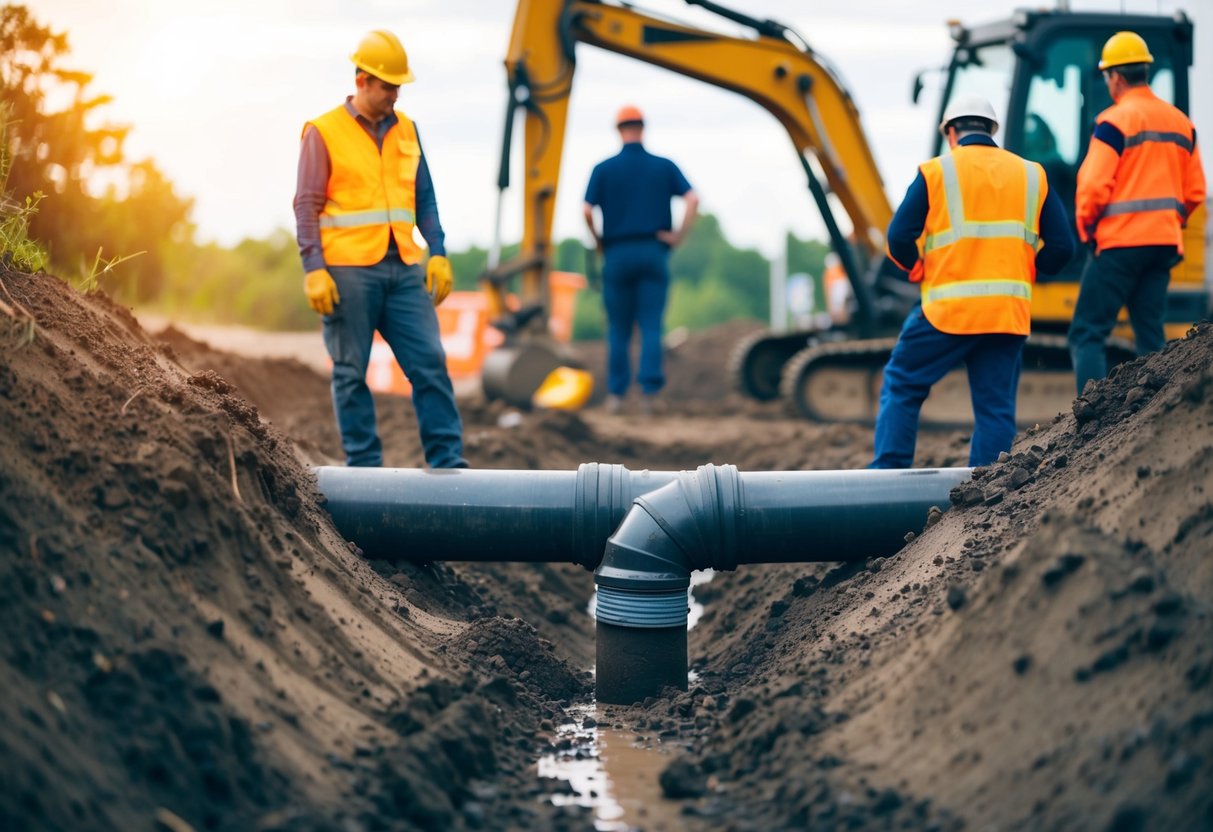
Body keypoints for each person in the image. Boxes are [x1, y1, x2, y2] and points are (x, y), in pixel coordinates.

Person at [872, 94, 1076, 469]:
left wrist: (915, 266)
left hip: (947, 311)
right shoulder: (1032, 174)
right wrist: (1031, 268)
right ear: (991, 130)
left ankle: (888, 473)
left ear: (952, 132)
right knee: (996, 408)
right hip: (1006, 314)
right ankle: (986, 485)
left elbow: (899, 237)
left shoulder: (936, 172)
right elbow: (1063, 247)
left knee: (903, 382)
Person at [294, 30, 467, 468]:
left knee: (430, 364)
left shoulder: (408, 129)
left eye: (399, 86)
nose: (395, 94)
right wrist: (314, 267)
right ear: (362, 80)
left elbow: (424, 198)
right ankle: (364, 469)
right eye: (388, 86)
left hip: (404, 268)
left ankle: (448, 464)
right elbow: (307, 204)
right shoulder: (323, 132)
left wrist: (439, 251)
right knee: (351, 373)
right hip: (348, 270)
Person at [1067, 31, 1206, 395]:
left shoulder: (1113, 122)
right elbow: (1195, 192)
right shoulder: (1182, 123)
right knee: (1150, 335)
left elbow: (1093, 187)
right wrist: (1168, 224)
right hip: (1163, 244)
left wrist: (1088, 231)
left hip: (1118, 245)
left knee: (1088, 332)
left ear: (1114, 77)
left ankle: (1088, 421)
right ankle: (1152, 418)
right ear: (1145, 70)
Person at [583, 105, 700, 414]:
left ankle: (617, 396)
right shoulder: (663, 166)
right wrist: (677, 236)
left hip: (617, 253)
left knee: (618, 329)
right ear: (642, 128)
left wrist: (599, 243)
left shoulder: (604, 169)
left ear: (619, 130)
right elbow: (693, 199)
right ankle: (649, 394)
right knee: (651, 325)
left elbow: (585, 209)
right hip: (653, 251)